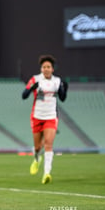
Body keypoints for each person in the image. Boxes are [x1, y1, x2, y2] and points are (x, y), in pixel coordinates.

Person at [22, 54, 68, 184]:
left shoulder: (57, 81)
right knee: (37, 147)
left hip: (51, 116)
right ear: (41, 69)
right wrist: (32, 87)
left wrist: (64, 89)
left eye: (49, 67)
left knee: (48, 143)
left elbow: (63, 98)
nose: (46, 69)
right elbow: (24, 95)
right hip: (37, 116)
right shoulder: (35, 79)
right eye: (44, 67)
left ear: (53, 69)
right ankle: (37, 158)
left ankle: (47, 173)